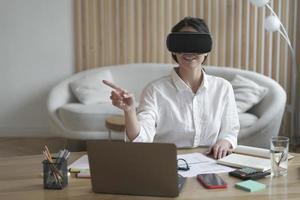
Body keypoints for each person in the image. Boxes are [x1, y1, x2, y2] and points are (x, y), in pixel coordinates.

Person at [103, 17, 240, 159]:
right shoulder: (155, 91)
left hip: (212, 162)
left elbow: (230, 131)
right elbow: (141, 139)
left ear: (206, 50)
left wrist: (225, 141)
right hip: (168, 163)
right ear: (174, 50)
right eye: (182, 43)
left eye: (195, 42)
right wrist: (130, 111)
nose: (189, 50)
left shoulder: (223, 88)